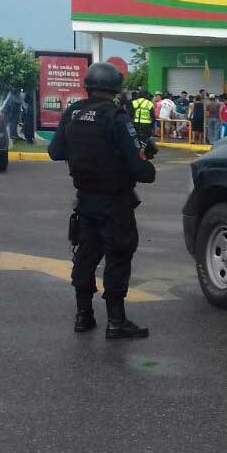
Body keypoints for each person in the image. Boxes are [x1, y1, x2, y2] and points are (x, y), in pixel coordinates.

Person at [48, 62, 156, 339]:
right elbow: (142, 171)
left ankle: (83, 316)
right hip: (115, 203)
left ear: (88, 86)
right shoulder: (116, 117)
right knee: (118, 256)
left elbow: (55, 151)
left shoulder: (72, 113)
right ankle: (116, 321)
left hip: (85, 201)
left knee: (85, 257)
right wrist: (145, 157)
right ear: (115, 89)